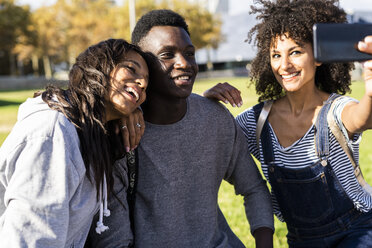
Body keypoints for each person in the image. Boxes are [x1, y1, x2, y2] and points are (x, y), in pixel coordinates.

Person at [86, 9, 274, 248]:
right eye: (167, 55)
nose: (184, 63)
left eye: (189, 53)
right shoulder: (120, 135)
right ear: (143, 65)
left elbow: (254, 188)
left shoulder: (216, 118)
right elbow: (113, 239)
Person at [204, 0, 372, 247]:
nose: (284, 65)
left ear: (317, 57)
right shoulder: (256, 122)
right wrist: (205, 101)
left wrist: (370, 93)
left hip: (358, 232)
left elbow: (362, 119)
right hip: (301, 239)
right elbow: (215, 137)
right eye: (275, 55)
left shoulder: (335, 110)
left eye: (295, 52)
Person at [0, 38, 148, 247]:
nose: (142, 83)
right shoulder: (54, 132)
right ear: (98, 67)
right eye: (131, 69)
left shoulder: (93, 133)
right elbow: (30, 239)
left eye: (145, 81)